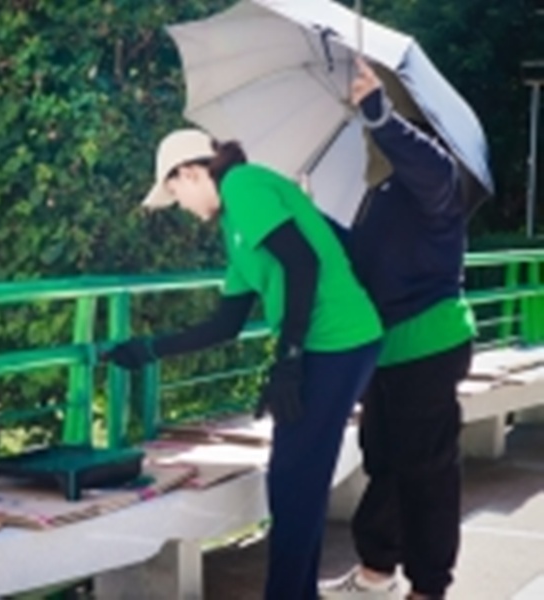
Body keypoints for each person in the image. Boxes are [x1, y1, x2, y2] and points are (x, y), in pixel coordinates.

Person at [102, 129, 383, 599]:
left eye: (176, 193)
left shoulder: (243, 185)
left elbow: (303, 264)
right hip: (323, 346)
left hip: (339, 341)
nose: (182, 207)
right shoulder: (235, 226)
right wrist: (146, 350)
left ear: (190, 172)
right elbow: (225, 325)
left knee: (295, 480)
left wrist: (289, 358)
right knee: (296, 479)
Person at [319, 58, 476, 600]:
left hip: (429, 341)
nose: (368, 139)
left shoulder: (437, 177)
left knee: (427, 471)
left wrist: (379, 114)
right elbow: (359, 263)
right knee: (383, 461)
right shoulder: (378, 197)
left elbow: (427, 165)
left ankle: (428, 588)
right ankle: (377, 571)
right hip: (384, 350)